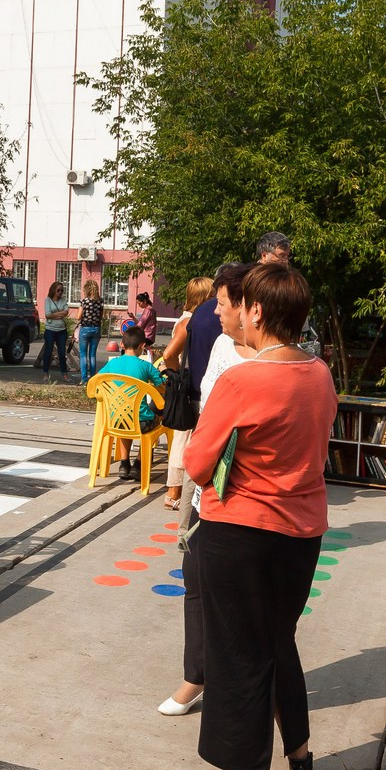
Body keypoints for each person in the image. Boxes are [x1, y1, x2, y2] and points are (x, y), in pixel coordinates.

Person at [182, 260, 337, 770]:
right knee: (278, 645)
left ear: (258, 312)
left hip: (240, 531)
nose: (236, 311)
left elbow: (198, 463)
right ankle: (301, 768)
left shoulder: (242, 380)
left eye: (242, 304)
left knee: (240, 657)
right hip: (301, 533)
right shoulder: (319, 373)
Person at [160, 261, 252, 716]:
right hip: (210, 480)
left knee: (246, 596)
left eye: (222, 304)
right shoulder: (220, 344)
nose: (215, 313)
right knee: (196, 578)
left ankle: (243, 681)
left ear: (250, 309)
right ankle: (195, 676)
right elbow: (210, 409)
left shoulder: (295, 361)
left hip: (254, 497)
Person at [158, 276, 215, 510]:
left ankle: (176, 492)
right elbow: (169, 354)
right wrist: (177, 374)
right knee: (183, 438)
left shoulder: (190, 318)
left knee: (183, 438)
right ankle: (173, 493)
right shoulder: (190, 321)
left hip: (190, 384)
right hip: (189, 386)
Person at [100, 321, 164, 480]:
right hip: (141, 424)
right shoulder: (146, 366)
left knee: (125, 416)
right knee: (158, 416)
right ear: (142, 346)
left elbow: (96, 381)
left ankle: (124, 462)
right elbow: (162, 386)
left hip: (114, 421)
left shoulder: (112, 363)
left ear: (122, 344)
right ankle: (138, 464)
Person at [75, 279, 107, 383]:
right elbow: (101, 316)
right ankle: (93, 378)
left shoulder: (84, 301)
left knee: (83, 354)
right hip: (96, 328)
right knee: (92, 355)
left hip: (85, 328)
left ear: (86, 289)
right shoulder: (100, 301)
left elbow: (78, 317)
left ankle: (84, 379)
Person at [39, 280, 71, 378]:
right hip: (50, 330)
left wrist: (55, 315)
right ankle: (45, 373)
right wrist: (59, 314)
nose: (60, 292)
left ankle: (64, 374)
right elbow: (48, 315)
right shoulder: (48, 300)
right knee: (48, 351)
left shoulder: (63, 300)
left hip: (61, 330)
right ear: (53, 290)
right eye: (58, 290)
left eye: (62, 290)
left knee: (62, 352)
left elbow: (66, 312)